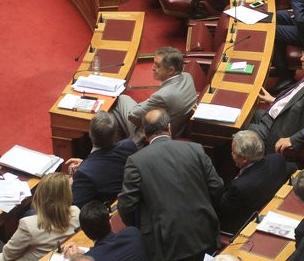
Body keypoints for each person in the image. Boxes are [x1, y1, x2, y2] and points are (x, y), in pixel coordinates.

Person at [119, 109, 223, 261]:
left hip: (166, 244)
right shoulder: (195, 149)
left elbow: (126, 206)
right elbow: (217, 187)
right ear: (168, 127)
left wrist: (140, 227)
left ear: (144, 132)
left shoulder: (136, 161)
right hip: (205, 233)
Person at [249, 38, 304, 154]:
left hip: (276, 130)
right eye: (303, 53)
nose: (301, 58)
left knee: (239, 131)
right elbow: (299, 99)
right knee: (245, 113)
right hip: (278, 115)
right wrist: (274, 100)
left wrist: (292, 140)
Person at [218, 130, 294, 233]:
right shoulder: (277, 160)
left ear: (245, 159)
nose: (231, 155)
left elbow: (221, 212)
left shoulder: (238, 187)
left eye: (233, 152)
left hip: (244, 227)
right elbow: (293, 168)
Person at [113, 46, 197, 140]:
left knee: (120, 100)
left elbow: (133, 115)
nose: (152, 68)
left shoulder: (163, 96)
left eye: (157, 65)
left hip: (154, 135)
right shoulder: (187, 77)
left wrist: (148, 101)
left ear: (171, 70)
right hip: (178, 126)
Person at [0, 173, 80, 261]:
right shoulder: (76, 212)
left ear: (40, 194)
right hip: (56, 254)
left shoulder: (29, 225)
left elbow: (8, 256)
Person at [66, 112, 138, 207]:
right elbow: (107, 165)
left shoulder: (83, 174)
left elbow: (77, 208)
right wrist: (85, 164)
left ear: (90, 133)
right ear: (115, 134)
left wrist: (70, 183)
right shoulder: (129, 146)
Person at [61, 200, 145, 261]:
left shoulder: (92, 257)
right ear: (110, 223)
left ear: (85, 233)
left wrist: (76, 258)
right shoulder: (133, 233)